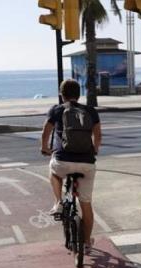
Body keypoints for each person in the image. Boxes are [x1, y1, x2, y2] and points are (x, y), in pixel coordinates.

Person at [40, 79, 103, 248]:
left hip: (62, 160)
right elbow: (98, 135)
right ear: (78, 94)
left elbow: (46, 131)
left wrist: (45, 148)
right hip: (87, 163)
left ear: (62, 95)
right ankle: (87, 242)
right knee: (86, 205)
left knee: (53, 171)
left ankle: (58, 202)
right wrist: (95, 149)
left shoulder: (57, 110)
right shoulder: (90, 111)